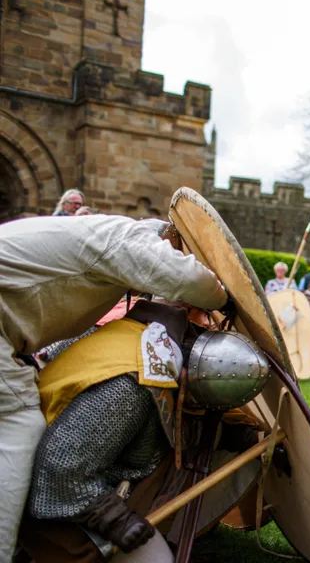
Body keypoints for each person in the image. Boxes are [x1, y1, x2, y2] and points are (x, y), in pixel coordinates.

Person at [0, 214, 227, 560]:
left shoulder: (98, 247)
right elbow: (61, 462)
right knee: (18, 426)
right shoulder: (128, 240)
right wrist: (224, 299)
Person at [19, 299, 280, 561]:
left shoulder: (141, 335)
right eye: (202, 315)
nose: (206, 321)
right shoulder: (133, 384)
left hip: (82, 472)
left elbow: (187, 421)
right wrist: (113, 518)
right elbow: (60, 465)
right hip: (52, 498)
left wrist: (246, 437)